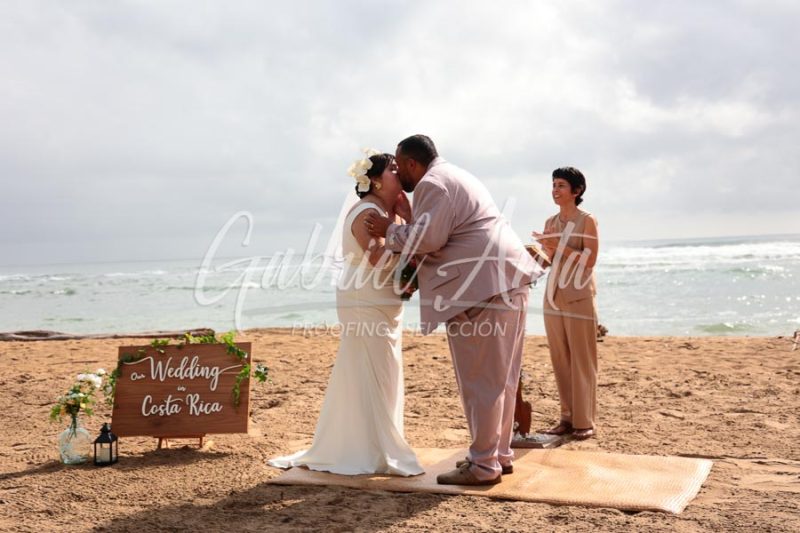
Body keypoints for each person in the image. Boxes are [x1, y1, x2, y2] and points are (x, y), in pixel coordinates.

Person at [365, 135, 540, 486]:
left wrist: (392, 229)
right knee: (502, 379)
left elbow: (430, 239)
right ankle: (498, 456)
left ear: (413, 163)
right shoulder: (456, 175)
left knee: (480, 381)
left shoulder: (432, 183)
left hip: (481, 290)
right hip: (507, 280)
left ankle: (483, 466)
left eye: (399, 167)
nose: (398, 174)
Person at [267, 151, 423, 476]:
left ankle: (371, 444)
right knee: (373, 368)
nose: (401, 174)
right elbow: (379, 260)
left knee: (381, 368)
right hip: (363, 297)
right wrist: (412, 242)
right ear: (377, 180)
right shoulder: (367, 212)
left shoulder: (383, 210)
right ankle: (371, 448)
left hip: (379, 297)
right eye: (394, 170)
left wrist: (403, 221)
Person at [532, 167, 599, 441]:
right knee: (560, 359)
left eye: (561, 185)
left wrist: (556, 245)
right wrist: (533, 254)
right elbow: (550, 260)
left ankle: (585, 421)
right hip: (553, 297)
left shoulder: (587, 220)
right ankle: (567, 418)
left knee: (582, 359)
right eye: (553, 184)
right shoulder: (551, 221)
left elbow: (589, 260)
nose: (555, 190)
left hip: (579, 296)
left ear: (577, 190)